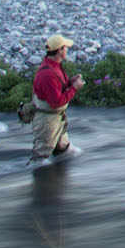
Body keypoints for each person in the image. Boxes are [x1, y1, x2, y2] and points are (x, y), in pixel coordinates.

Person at [29, 32, 86, 160]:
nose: (67, 50)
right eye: (65, 48)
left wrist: (70, 82)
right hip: (47, 122)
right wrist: (74, 88)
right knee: (40, 159)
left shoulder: (54, 66)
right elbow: (56, 102)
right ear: (60, 51)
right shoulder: (48, 74)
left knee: (64, 150)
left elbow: (57, 87)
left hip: (56, 120)